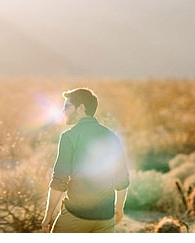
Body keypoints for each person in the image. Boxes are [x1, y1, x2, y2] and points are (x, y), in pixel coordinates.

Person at [41, 87, 129, 233]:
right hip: (105, 219)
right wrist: (118, 209)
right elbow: (122, 179)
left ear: (81, 108)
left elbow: (59, 180)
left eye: (67, 107)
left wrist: (48, 215)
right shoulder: (112, 136)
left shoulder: (69, 137)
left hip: (75, 217)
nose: (63, 112)